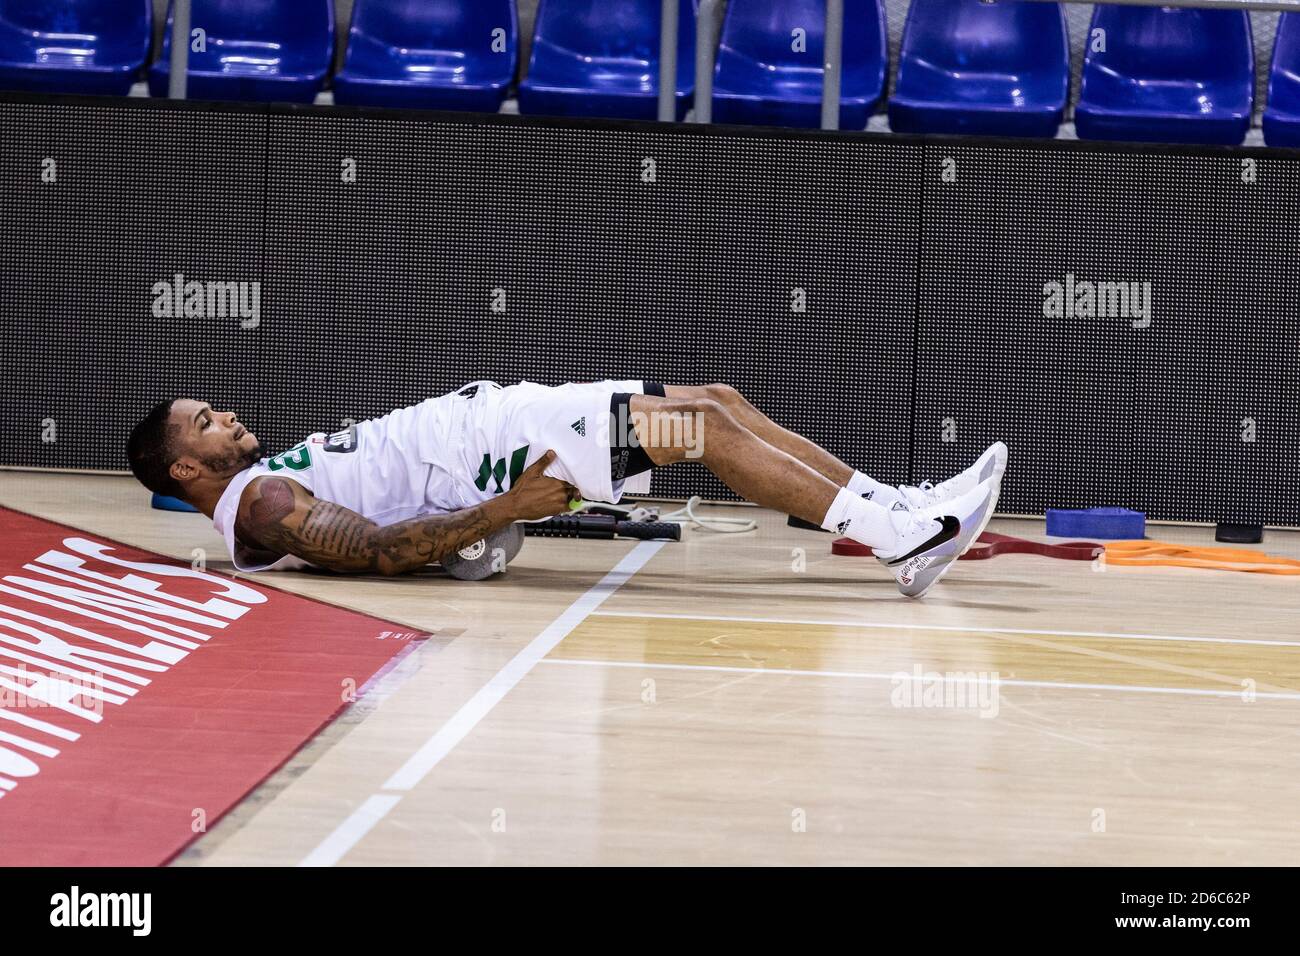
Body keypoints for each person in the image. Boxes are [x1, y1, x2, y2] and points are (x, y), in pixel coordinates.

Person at [126, 379, 1006, 597]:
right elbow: (382, 554)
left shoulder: (258, 491)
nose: (227, 418)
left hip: (486, 427)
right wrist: (506, 511)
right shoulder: (266, 507)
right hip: (490, 457)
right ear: (185, 471)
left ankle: (899, 509)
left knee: (716, 402)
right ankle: (906, 538)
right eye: (205, 423)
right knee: (695, 429)